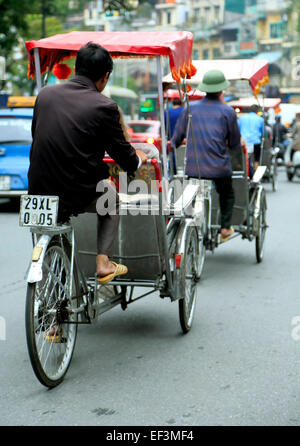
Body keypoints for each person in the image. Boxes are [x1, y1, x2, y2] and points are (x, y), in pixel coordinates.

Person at [28, 42, 148, 284]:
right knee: (111, 197)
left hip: (38, 189)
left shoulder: (45, 95)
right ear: (105, 77)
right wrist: (140, 157)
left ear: (76, 69)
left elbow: (38, 136)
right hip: (77, 191)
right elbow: (127, 160)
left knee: (53, 230)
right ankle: (103, 262)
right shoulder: (104, 106)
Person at [171, 69, 241, 242]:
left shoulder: (189, 108)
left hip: (194, 168)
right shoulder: (228, 111)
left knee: (189, 194)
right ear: (221, 90)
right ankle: (225, 228)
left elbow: (176, 139)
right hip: (219, 169)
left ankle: (188, 222)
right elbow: (234, 144)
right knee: (227, 194)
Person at [238, 104, 264, 170]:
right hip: (256, 142)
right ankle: (255, 170)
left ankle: (245, 171)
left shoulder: (241, 118)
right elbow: (263, 132)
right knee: (256, 159)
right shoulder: (260, 119)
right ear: (257, 111)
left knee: (244, 159)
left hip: (244, 142)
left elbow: (237, 130)